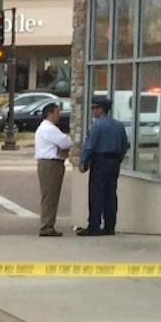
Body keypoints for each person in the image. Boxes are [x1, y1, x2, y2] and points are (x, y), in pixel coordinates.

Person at [77, 96, 130, 236]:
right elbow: (125, 145)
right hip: (114, 162)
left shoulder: (97, 125)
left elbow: (90, 146)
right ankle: (109, 226)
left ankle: (94, 226)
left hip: (100, 161)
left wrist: (83, 161)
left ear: (100, 109)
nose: (92, 111)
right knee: (111, 194)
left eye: (94, 108)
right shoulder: (118, 125)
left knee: (97, 194)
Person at [33, 101, 72, 236]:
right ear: (50, 114)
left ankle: (48, 224)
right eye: (57, 113)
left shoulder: (45, 128)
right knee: (50, 196)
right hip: (51, 163)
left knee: (50, 195)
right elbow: (65, 142)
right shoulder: (49, 128)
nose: (59, 116)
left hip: (49, 162)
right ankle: (46, 226)